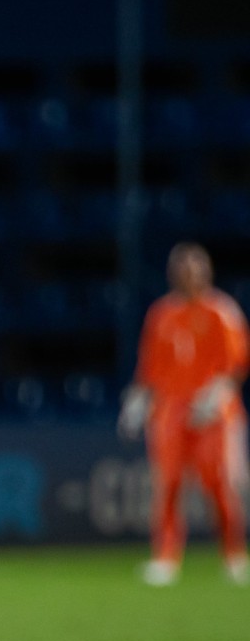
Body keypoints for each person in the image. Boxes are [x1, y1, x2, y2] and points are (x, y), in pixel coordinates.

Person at [117, 242, 249, 586]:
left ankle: (233, 554)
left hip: (212, 413)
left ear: (207, 272)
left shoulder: (222, 311)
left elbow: (235, 365)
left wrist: (217, 394)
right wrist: (138, 400)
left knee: (220, 484)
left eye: (195, 269)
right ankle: (166, 556)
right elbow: (150, 368)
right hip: (170, 411)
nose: (189, 276)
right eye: (183, 269)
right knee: (168, 484)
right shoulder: (161, 314)